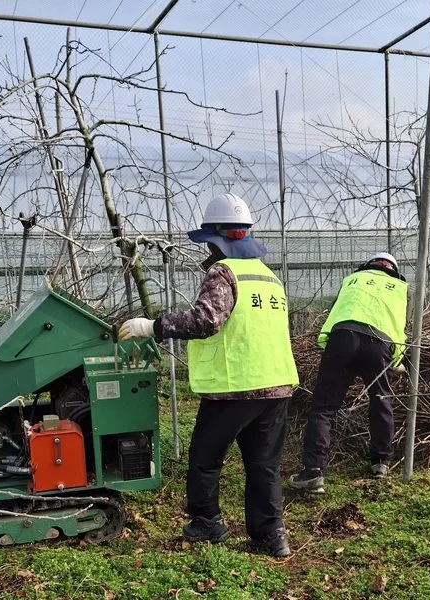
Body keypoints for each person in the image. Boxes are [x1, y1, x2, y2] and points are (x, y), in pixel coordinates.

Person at [119, 192, 298, 557]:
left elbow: (206, 321)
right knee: (263, 465)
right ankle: (271, 536)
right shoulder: (268, 278)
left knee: (205, 458)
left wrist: (152, 326)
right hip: (276, 386)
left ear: (215, 239)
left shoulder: (224, 272)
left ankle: (207, 522)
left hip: (235, 388)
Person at [288, 252, 409, 494]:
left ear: (368, 266)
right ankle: (381, 463)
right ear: (393, 270)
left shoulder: (352, 280)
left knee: (324, 407)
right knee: (381, 400)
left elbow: (336, 314)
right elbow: (398, 326)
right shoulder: (399, 287)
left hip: (343, 338)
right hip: (379, 342)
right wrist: (396, 360)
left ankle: (313, 472)